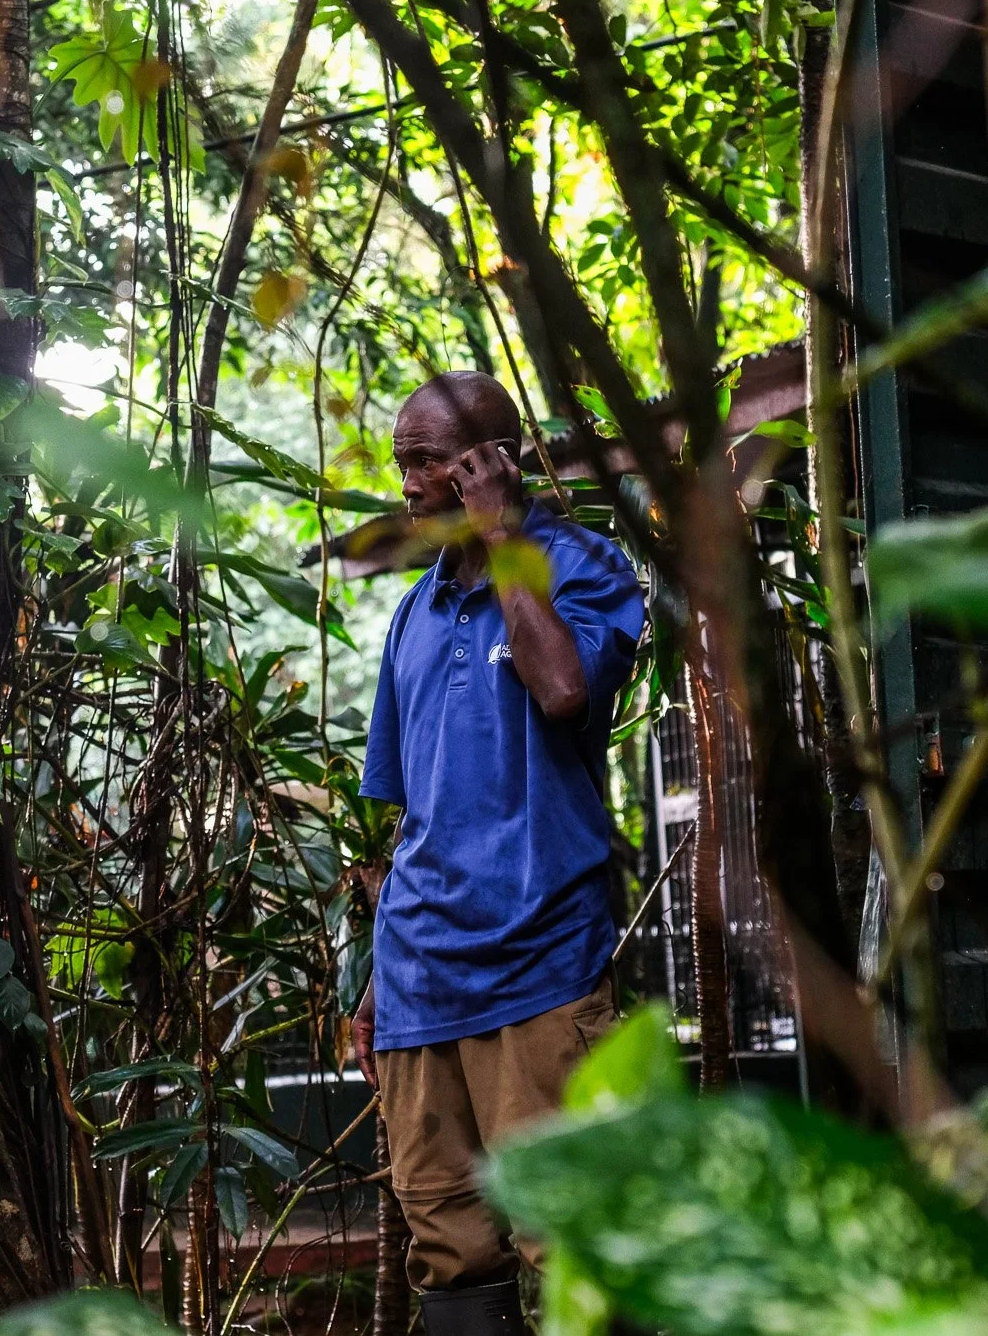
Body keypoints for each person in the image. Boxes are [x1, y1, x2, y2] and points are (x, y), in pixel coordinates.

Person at [352, 371, 646, 1336]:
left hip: (539, 965)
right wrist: (374, 982)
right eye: (404, 464)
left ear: (491, 463)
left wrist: (505, 538)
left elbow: (562, 689)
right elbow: (417, 815)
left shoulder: (579, 565)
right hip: (419, 980)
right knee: (450, 1249)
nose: (410, 484)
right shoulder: (414, 613)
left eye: (429, 462)